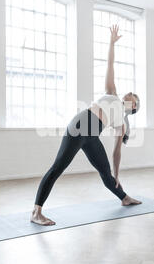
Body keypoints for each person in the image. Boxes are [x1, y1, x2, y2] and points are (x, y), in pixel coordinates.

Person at [31, 25, 142, 226]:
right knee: (58, 167)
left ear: (134, 106)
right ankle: (36, 212)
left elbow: (117, 152)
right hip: (82, 124)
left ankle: (124, 197)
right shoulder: (112, 93)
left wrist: (117, 175)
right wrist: (111, 43)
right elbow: (110, 64)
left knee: (106, 173)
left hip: (93, 135)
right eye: (129, 93)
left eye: (132, 95)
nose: (128, 93)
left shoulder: (123, 124)